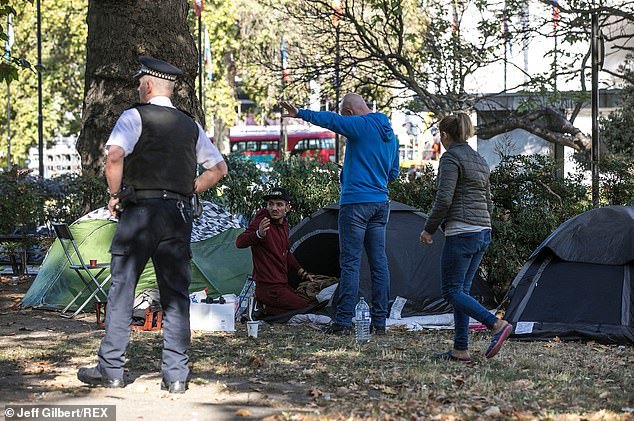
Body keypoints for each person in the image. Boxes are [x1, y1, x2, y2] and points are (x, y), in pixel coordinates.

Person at [77, 56, 228, 393]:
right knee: (176, 294)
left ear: (146, 85)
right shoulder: (191, 125)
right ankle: (176, 376)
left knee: (122, 290)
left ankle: (111, 369)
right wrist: (188, 188)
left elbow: (114, 156)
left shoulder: (134, 116)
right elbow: (218, 169)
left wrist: (114, 194)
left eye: (138, 83)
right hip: (177, 215)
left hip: (140, 213)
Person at [280, 94, 399, 335]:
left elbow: (331, 121)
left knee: (350, 264)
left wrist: (300, 113)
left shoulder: (360, 125)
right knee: (379, 265)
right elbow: (393, 173)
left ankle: (343, 322)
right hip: (380, 204)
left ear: (350, 112)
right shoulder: (391, 135)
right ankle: (380, 323)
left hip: (356, 204)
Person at [419, 113, 512, 362]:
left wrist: (429, 229)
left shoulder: (451, 158)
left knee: (451, 291)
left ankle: (495, 325)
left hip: (462, 232)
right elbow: (488, 202)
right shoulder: (479, 159)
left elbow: (444, 199)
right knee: (462, 291)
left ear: (446, 135)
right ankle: (461, 349)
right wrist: (482, 224)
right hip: (482, 231)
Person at [236, 187, 315, 315]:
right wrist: (258, 234)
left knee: (308, 300)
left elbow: (285, 252)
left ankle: (266, 309)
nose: (274, 208)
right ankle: (265, 307)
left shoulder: (283, 224)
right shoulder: (263, 219)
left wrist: (303, 273)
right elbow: (239, 242)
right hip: (269, 289)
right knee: (307, 308)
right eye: (270, 204)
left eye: (279, 204)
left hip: (281, 286)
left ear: (287, 208)